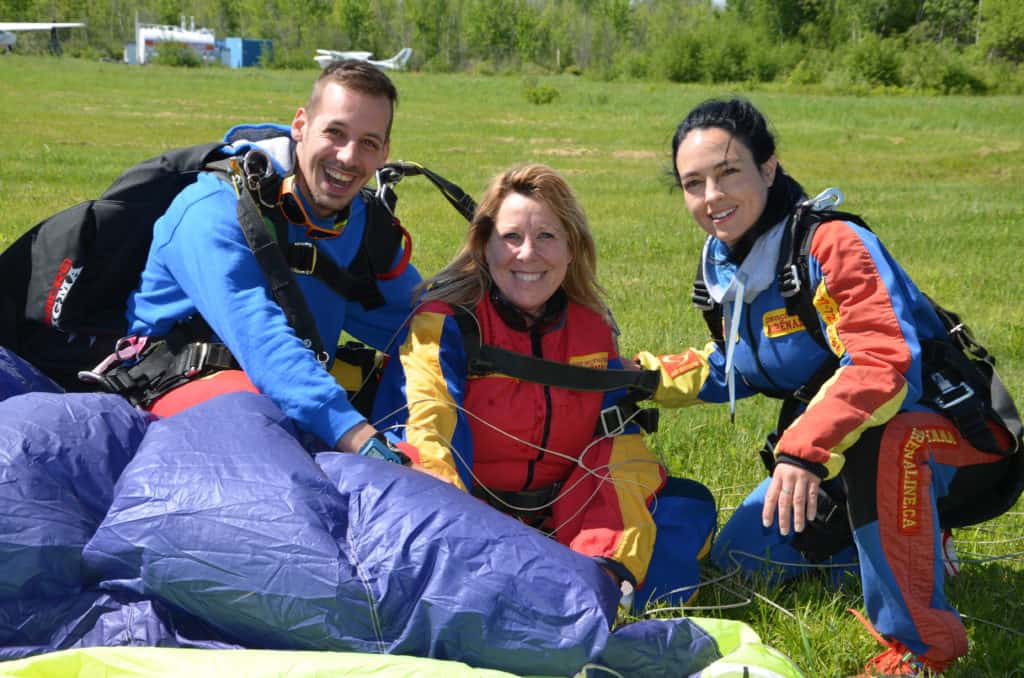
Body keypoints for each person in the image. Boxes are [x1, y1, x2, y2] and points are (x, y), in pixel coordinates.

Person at [635, 97, 1020, 674]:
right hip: (845, 450)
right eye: (694, 184)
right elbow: (740, 364)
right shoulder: (732, 268)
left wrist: (803, 449)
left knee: (887, 444)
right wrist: (635, 378)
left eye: (728, 173)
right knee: (744, 561)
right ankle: (909, 550)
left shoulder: (831, 244)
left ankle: (923, 649)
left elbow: (884, 363)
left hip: (952, 437)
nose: (711, 197)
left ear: (768, 169)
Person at [372, 163, 716, 607]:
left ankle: (598, 585)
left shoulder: (590, 328)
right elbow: (431, 426)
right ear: (484, 246)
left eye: (547, 237)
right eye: (511, 237)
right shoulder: (446, 323)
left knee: (687, 506)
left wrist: (608, 559)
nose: (528, 254)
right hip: (465, 512)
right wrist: (455, 533)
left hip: (556, 515)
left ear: (573, 249)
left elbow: (616, 441)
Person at [123, 59, 421, 456]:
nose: (348, 158)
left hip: (288, 397)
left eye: (368, 143)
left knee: (435, 367)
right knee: (267, 435)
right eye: (335, 132)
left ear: (384, 153)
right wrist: (358, 438)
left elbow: (423, 319)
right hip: (177, 389)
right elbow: (260, 339)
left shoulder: (361, 226)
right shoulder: (212, 206)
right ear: (300, 125)